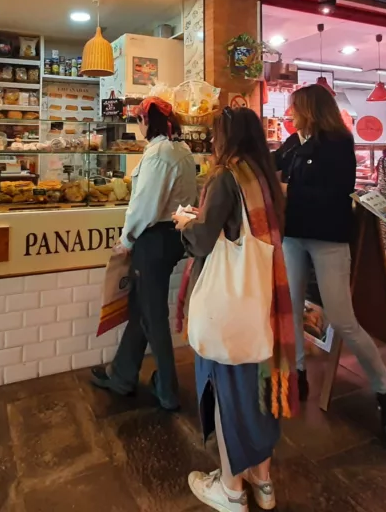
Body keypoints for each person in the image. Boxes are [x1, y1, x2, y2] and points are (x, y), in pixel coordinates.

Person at [173, 107, 297, 512]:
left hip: (228, 311)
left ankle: (229, 490)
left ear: (227, 137)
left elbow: (206, 238)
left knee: (228, 395)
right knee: (257, 393)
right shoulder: (262, 176)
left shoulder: (227, 175)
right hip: (261, 303)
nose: (212, 142)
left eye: (216, 134)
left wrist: (186, 224)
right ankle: (263, 482)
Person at [276, 84, 386, 451]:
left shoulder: (338, 143)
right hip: (294, 235)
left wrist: (288, 193)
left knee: (343, 317)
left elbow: (336, 192)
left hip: (328, 238)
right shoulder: (296, 141)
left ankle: (385, 392)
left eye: (294, 109)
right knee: (293, 304)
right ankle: (299, 373)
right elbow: (274, 165)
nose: (290, 115)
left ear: (309, 109)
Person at [91, 97, 197, 411]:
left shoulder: (159, 154)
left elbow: (145, 205)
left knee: (152, 316)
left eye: (140, 119)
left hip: (154, 240)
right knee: (141, 308)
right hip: (173, 237)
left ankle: (167, 389)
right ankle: (122, 375)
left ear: (147, 122)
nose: (139, 126)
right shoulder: (182, 150)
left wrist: (127, 238)